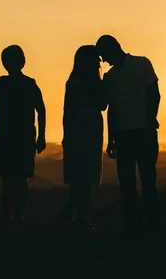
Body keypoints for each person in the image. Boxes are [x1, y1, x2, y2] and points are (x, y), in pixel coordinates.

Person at [95, 35, 160, 237]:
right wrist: (112, 138)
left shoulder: (142, 64)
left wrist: (150, 121)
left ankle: (150, 225)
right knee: (129, 184)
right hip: (124, 135)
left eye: (104, 55)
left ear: (113, 49)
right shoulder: (111, 76)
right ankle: (136, 226)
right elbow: (109, 108)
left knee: (147, 181)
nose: (104, 60)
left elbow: (154, 94)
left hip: (142, 131)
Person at [0, 45, 46, 233]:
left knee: (9, 179)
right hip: (22, 136)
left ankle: (8, 216)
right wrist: (41, 135)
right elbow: (41, 110)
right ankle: (15, 216)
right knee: (19, 178)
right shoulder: (29, 84)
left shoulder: (3, 83)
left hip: (7, 136)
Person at [61, 45, 107, 232]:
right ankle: (77, 213)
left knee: (82, 175)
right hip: (86, 129)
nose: (99, 62)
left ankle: (75, 212)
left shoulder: (74, 82)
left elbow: (67, 111)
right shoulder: (83, 83)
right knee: (84, 174)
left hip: (81, 129)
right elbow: (102, 104)